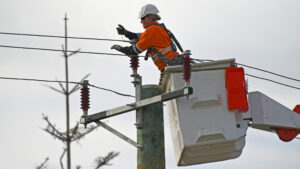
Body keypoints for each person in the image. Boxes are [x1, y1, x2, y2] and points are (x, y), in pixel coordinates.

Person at [111, 4, 183, 72]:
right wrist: (125, 33)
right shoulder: (160, 29)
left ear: (149, 17)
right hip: (174, 64)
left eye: (142, 18)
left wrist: (120, 48)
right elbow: (138, 37)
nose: (141, 21)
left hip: (170, 66)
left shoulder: (152, 31)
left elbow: (134, 51)